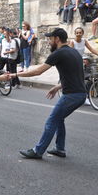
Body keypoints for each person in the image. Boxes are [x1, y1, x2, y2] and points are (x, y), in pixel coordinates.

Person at [14, 28, 86, 159]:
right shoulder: (74, 52)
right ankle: (60, 149)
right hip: (80, 94)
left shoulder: (58, 54)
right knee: (59, 119)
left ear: (57, 39)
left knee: (51, 121)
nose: (48, 42)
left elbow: (37, 71)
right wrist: (58, 87)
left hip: (71, 95)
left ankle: (38, 151)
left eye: (50, 39)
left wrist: (15, 74)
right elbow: (76, 76)